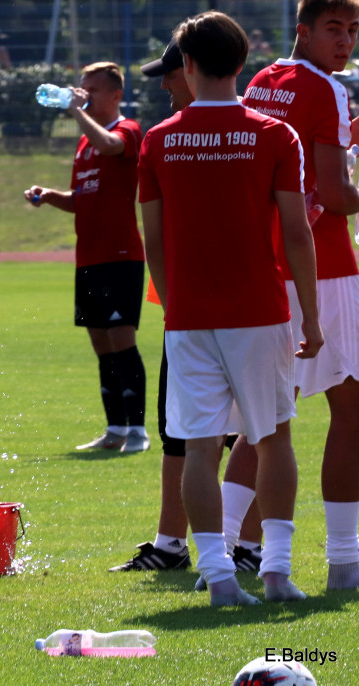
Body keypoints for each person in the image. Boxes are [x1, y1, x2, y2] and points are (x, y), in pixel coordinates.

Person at [139, 10, 322, 606]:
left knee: (199, 446)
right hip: (260, 310)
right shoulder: (275, 135)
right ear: (243, 63)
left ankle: (219, 577)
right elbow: (297, 232)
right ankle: (275, 571)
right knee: (273, 440)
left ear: (186, 65)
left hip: (189, 316)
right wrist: (313, 319)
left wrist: (173, 303)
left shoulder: (158, 139)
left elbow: (154, 241)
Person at [110, 38, 264, 574]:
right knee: (182, 433)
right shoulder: (168, 141)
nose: (164, 85)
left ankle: (246, 549)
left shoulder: (225, 135)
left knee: (253, 432)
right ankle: (173, 544)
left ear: (193, 70)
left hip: (239, 311)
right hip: (188, 313)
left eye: (170, 74)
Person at [223, 0, 359, 592]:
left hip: (262, 265)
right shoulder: (325, 88)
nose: (346, 41)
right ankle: (345, 564)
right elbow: (333, 193)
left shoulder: (262, 80)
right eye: (334, 28)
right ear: (303, 31)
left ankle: (221, 556)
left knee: (263, 422)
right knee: (350, 412)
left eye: (353, 30)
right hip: (323, 266)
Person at [24, 62, 150, 454]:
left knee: (121, 340)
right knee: (101, 344)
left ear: (115, 95)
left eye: (92, 89)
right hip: (89, 258)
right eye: (81, 87)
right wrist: (48, 196)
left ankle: (139, 432)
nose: (83, 93)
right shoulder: (84, 143)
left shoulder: (125, 130)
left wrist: (77, 113)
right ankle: (114, 429)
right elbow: (82, 200)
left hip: (120, 256)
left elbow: (111, 147)